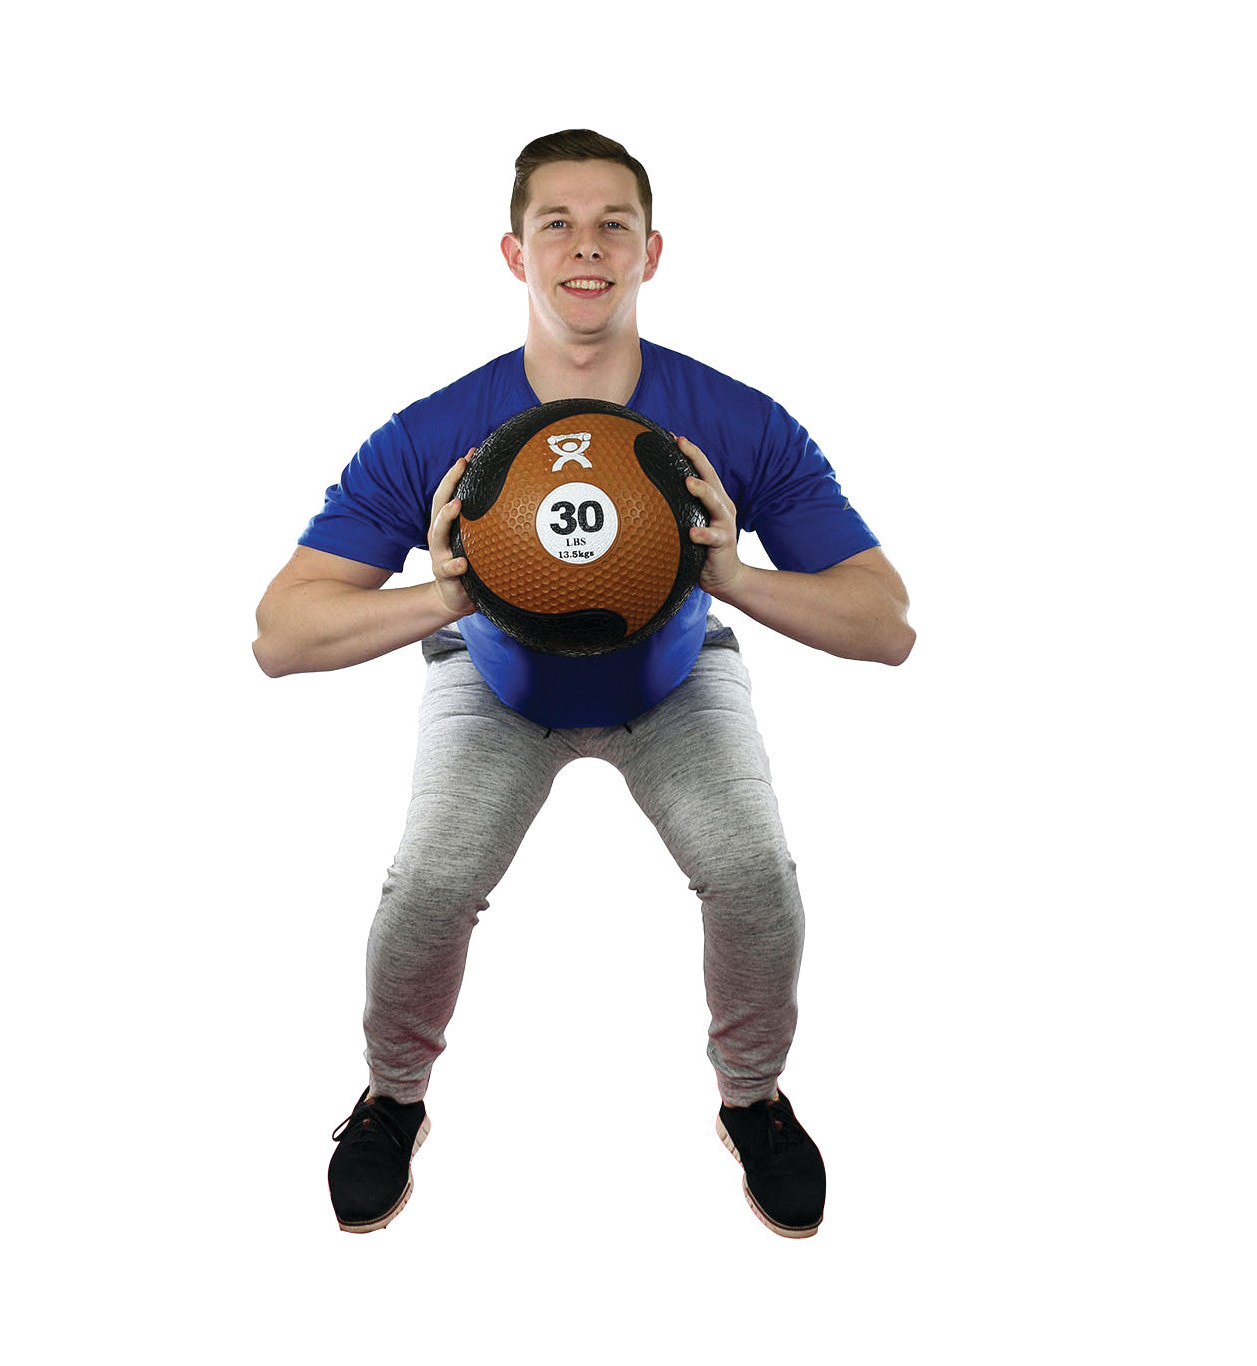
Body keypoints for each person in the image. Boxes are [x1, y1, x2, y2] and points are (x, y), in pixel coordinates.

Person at [253, 129, 914, 1239]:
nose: (585, 247)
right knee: (428, 885)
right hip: (493, 680)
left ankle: (751, 1099)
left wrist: (731, 576)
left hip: (676, 674)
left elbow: (887, 624)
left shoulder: (736, 420)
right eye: (555, 223)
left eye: (613, 223)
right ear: (514, 254)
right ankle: (392, 1099)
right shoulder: (434, 432)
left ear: (652, 251)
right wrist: (449, 597)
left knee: (753, 872)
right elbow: (280, 632)